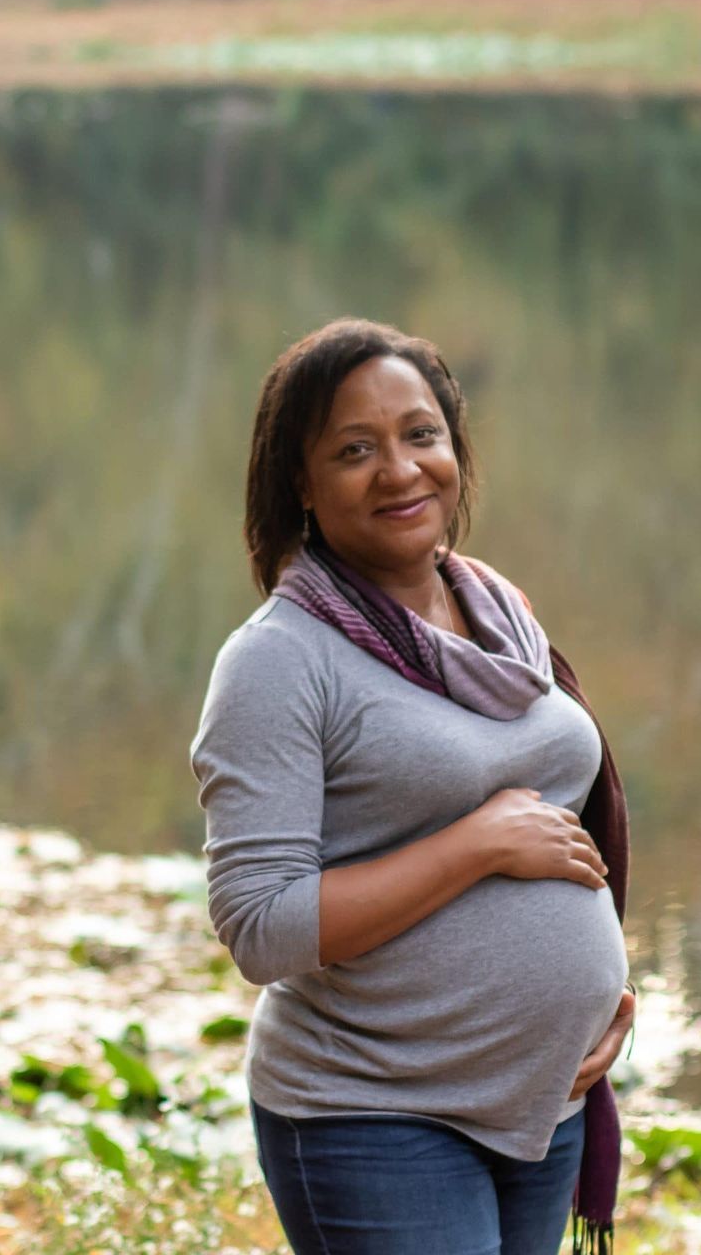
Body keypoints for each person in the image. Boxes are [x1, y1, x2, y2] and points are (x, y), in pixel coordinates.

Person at [189, 318, 637, 1255]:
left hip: (543, 1103)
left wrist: (598, 1006)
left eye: (420, 435)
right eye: (355, 450)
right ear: (300, 485)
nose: (399, 471)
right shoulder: (277, 662)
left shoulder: (496, 609)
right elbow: (263, 926)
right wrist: (477, 843)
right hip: (376, 1113)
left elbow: (563, 817)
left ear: (456, 452)